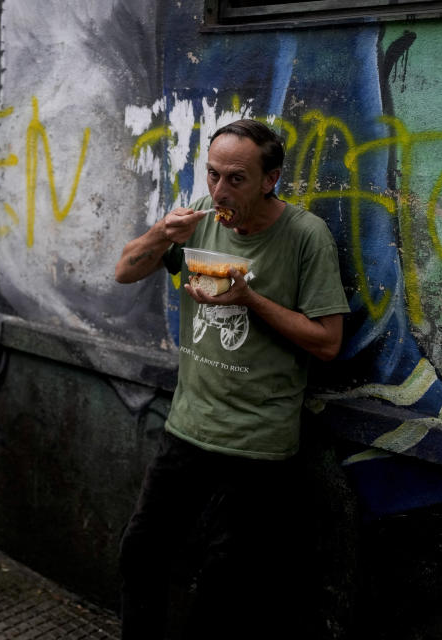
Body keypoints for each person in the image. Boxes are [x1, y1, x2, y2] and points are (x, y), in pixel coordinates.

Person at [114, 119, 350, 638]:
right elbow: (125, 270)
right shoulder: (198, 219)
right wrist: (160, 233)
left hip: (258, 443)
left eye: (236, 179)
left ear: (271, 179)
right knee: (141, 553)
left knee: (225, 586)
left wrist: (250, 299)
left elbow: (328, 342)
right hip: (189, 426)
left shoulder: (305, 236)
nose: (219, 191)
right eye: (213, 175)